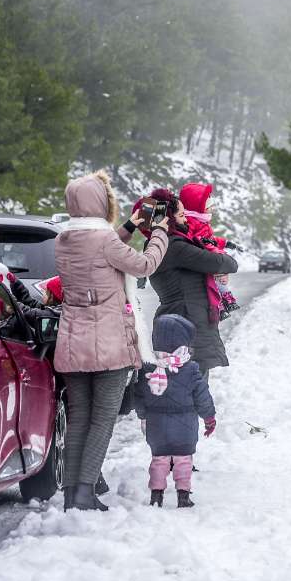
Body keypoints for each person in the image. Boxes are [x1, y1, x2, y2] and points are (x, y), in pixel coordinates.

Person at [54, 170, 170, 511]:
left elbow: (101, 250)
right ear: (101, 203)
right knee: (102, 420)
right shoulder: (105, 242)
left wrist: (131, 226)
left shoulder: (63, 240)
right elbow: (145, 264)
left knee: (78, 419)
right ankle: (86, 492)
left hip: (73, 343)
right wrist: (159, 231)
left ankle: (71, 492)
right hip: (108, 345)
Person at [149, 184, 239, 377]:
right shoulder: (176, 247)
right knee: (191, 388)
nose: (186, 220)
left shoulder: (161, 243)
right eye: (182, 215)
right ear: (169, 219)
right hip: (187, 324)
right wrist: (222, 263)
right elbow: (223, 262)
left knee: (186, 388)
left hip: (181, 321)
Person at [135, 314, 216, 508]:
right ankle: (183, 495)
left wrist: (143, 415)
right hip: (185, 426)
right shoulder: (191, 369)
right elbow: (202, 396)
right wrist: (209, 418)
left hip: (157, 427)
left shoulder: (149, 368)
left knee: (159, 460)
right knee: (183, 461)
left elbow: (139, 396)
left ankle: (156, 495)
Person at [178, 183, 239, 321]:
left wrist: (224, 243)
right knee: (212, 283)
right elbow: (198, 239)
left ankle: (223, 302)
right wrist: (213, 249)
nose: (211, 208)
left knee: (217, 281)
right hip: (204, 257)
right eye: (207, 204)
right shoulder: (192, 221)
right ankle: (220, 306)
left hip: (208, 254)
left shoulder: (201, 220)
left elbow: (211, 239)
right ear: (197, 204)